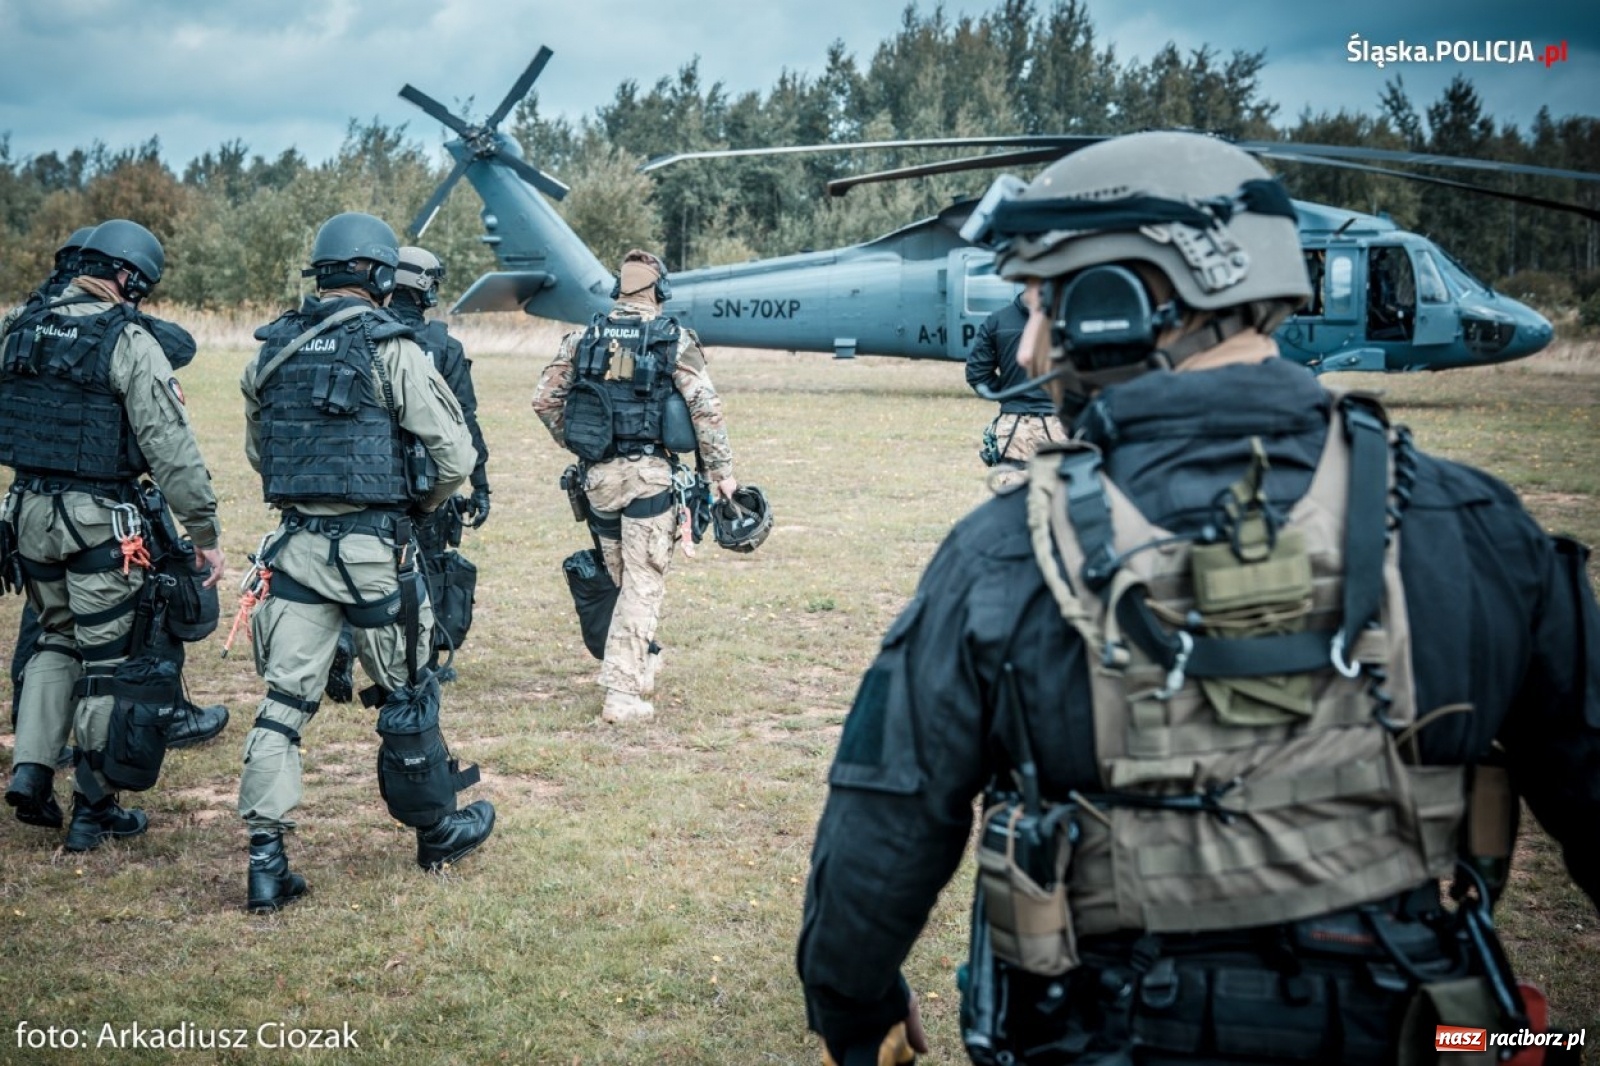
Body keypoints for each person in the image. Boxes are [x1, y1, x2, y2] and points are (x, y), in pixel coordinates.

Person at [796, 132, 1600, 1065]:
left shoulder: (1004, 553)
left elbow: (882, 830)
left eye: (1036, 305)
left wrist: (859, 1019)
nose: (1026, 345)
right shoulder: (1474, 525)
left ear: (1111, 309)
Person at [237, 212, 495, 913]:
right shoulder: (395, 349)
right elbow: (456, 457)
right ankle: (436, 830)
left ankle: (266, 863)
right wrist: (416, 505)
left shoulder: (270, 352)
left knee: (284, 705)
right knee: (408, 694)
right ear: (381, 276)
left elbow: (262, 455)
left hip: (294, 551)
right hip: (375, 552)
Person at [0, 219, 226, 850]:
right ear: (126, 276)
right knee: (106, 661)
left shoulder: (17, 325)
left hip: (26, 514)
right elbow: (171, 446)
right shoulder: (124, 338)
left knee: (54, 640)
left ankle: (31, 775)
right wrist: (204, 530)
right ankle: (93, 811)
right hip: (98, 521)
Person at [531, 249, 736, 724]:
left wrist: (582, 440)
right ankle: (622, 694)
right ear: (660, 291)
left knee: (625, 579)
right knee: (642, 584)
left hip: (597, 478)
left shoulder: (584, 338)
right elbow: (705, 409)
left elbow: (544, 401)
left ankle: (640, 663)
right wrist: (720, 474)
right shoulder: (673, 339)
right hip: (648, 477)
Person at [965, 292, 1064, 491]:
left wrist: (1008, 392)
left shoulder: (997, 320)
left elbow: (977, 374)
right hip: (1061, 424)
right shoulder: (1070, 320)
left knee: (1013, 500)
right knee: (1064, 497)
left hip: (1015, 426)